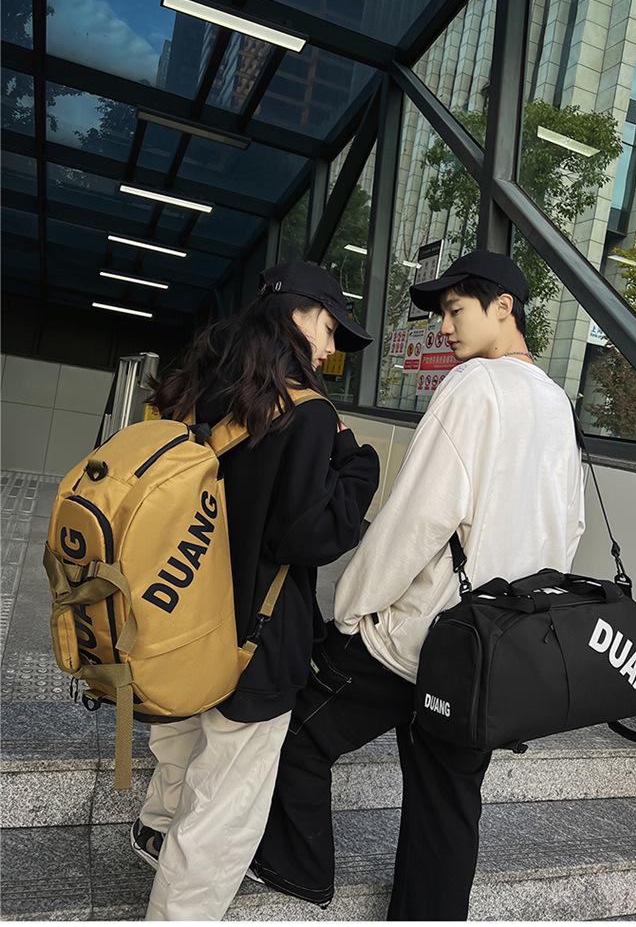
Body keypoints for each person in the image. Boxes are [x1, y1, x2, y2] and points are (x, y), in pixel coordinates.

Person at [251, 249, 586, 920]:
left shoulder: (473, 386)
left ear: (504, 308)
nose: (445, 327)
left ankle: (299, 869)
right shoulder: (558, 404)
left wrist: (351, 609)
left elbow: (415, 520)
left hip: (415, 640)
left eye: (455, 310)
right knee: (449, 802)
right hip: (491, 654)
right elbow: (568, 529)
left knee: (299, 734)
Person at [129, 261, 380, 921]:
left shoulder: (193, 383)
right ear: (298, 312)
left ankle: (156, 830)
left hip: (171, 618)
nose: (330, 349)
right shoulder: (307, 413)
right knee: (225, 807)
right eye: (330, 328)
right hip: (252, 637)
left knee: (179, 745)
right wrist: (360, 466)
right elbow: (308, 534)